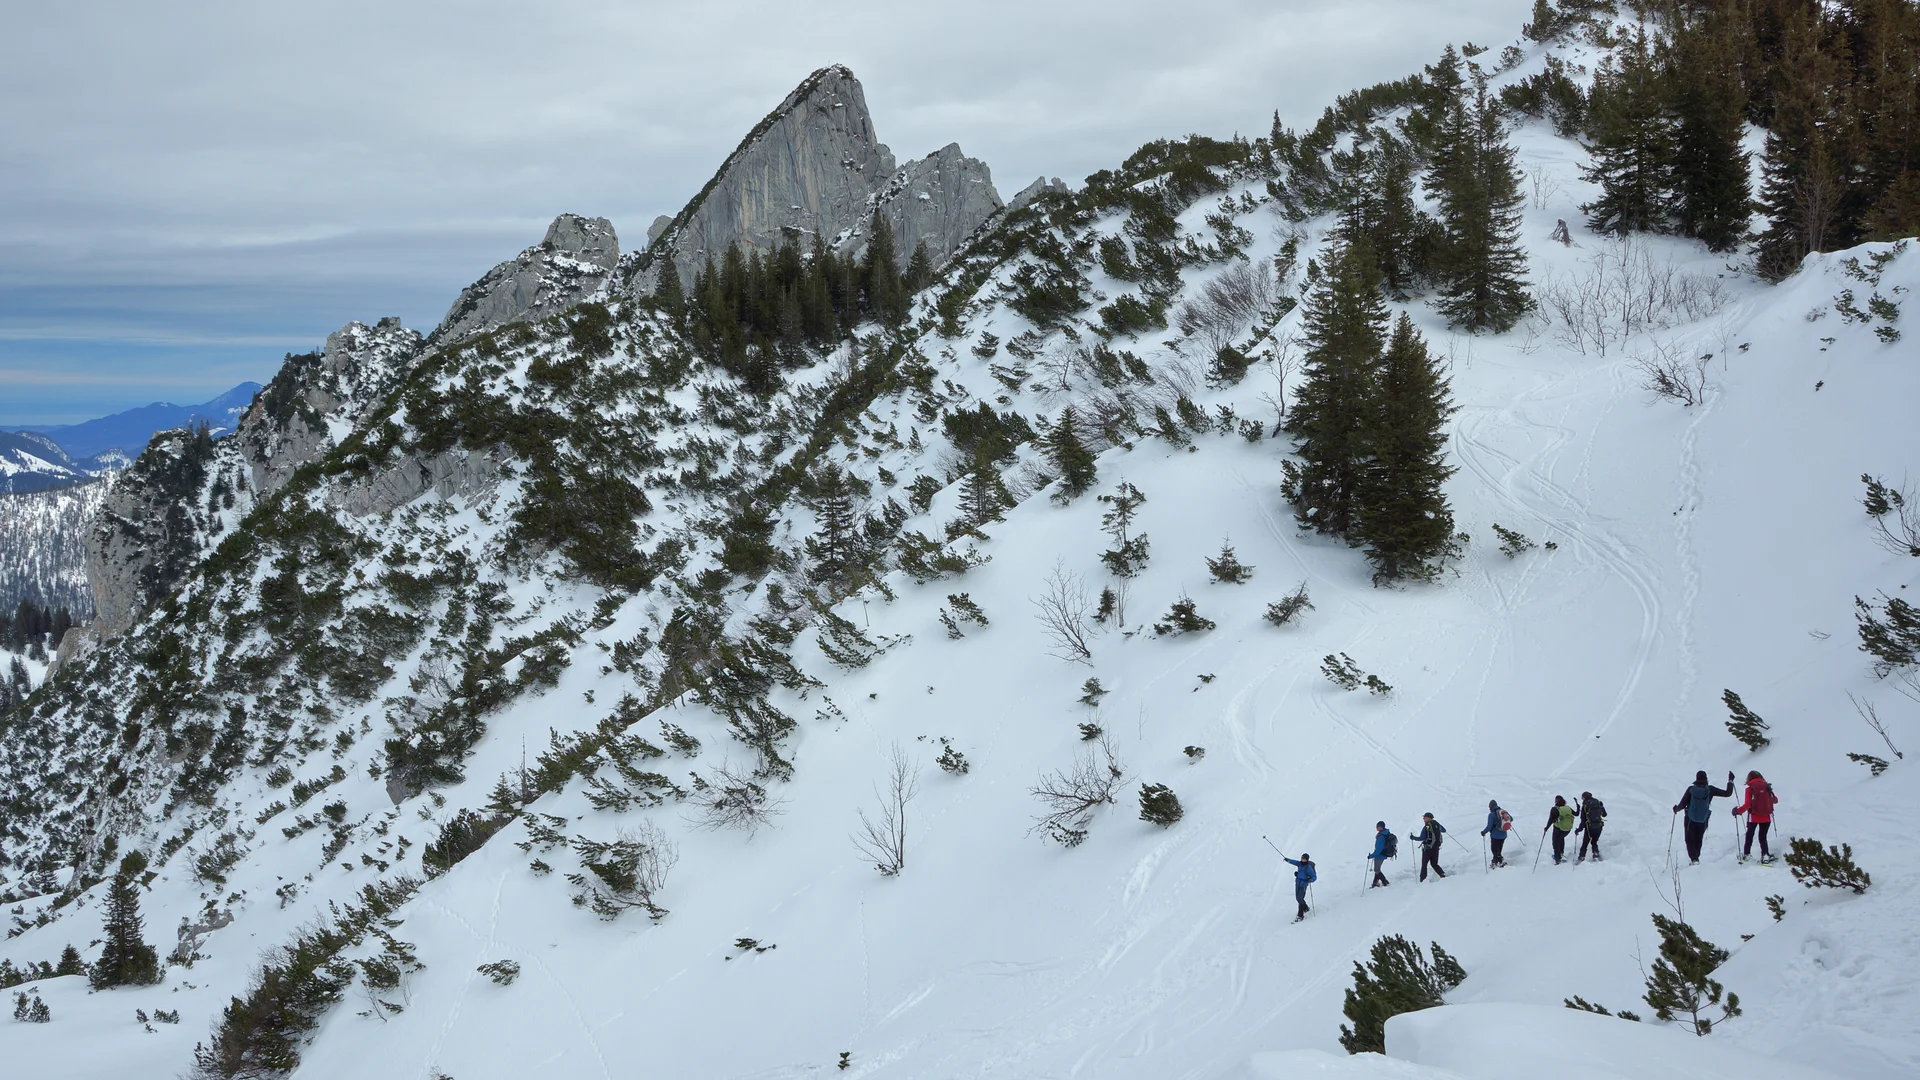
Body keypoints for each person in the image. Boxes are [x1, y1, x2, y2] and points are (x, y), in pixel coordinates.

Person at [1672, 770, 1735, 864]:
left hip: (1690, 819)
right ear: (1706, 778)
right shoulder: (1710, 789)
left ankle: (1694, 859)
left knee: (1689, 839)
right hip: (1703, 819)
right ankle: (1696, 857)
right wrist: (1730, 781)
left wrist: (1676, 809)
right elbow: (1727, 793)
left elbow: (1682, 804)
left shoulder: (1691, 789)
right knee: (1699, 838)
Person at [1733, 770, 1777, 863]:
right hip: (1766, 817)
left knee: (1749, 835)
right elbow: (1775, 800)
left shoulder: (1749, 789)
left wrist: (1737, 811)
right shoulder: (1767, 787)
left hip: (1753, 817)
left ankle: (1747, 854)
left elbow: (1747, 805)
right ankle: (1765, 855)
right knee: (1762, 837)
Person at [1412, 813, 1446, 881]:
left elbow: (1422, 838)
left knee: (1424, 865)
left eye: (1424, 817)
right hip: (1436, 847)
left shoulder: (1427, 826)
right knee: (1434, 864)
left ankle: (1422, 879)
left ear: (1428, 818)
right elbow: (1444, 830)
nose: (1423, 819)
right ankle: (1442, 874)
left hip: (1427, 849)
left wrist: (1413, 837)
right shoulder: (1437, 824)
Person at [1282, 853, 1317, 920]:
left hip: (1303, 885)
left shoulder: (1308, 867)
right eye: (1301, 858)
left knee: (1300, 898)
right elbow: (1293, 862)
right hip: (1297, 883)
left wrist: (1309, 879)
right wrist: (1287, 860)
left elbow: (1314, 877)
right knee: (1297, 898)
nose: (1302, 859)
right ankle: (1306, 908)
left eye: (1303, 858)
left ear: (1306, 859)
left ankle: (1300, 915)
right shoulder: (1300, 864)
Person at [1575, 791, 1606, 863]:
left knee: (1585, 843)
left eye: (1582, 798)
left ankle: (1581, 858)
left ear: (1584, 797)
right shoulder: (1598, 803)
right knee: (1594, 842)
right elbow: (1604, 814)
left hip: (1589, 828)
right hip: (1599, 826)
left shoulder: (1585, 806)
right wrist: (1602, 806)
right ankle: (1596, 854)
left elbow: (1583, 821)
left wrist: (1578, 830)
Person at [1546, 795, 1576, 864]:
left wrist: (1546, 828)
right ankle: (1561, 853)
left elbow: (1551, 820)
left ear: (1556, 801)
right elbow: (1576, 814)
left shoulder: (1554, 809)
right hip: (1567, 829)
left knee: (1555, 843)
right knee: (1561, 838)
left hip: (1558, 828)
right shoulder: (1568, 808)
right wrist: (1578, 806)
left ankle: (1557, 858)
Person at [1480, 800, 1509, 867]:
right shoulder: (1503, 812)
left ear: (1491, 806)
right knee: (1499, 848)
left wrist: (1483, 832)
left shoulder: (1492, 815)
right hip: (1503, 835)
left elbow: (1489, 826)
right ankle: (1499, 860)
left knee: (1494, 849)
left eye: (1489, 806)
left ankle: (1496, 862)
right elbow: (1511, 819)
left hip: (1495, 836)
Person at [1367, 822, 1392, 887]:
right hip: (1382, 854)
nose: (1376, 827)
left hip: (1380, 855)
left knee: (1376, 870)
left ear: (1381, 827)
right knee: (1377, 869)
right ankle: (1375, 883)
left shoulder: (1381, 836)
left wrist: (1371, 856)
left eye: (1377, 826)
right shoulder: (1384, 833)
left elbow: (1379, 849)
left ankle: (1385, 882)